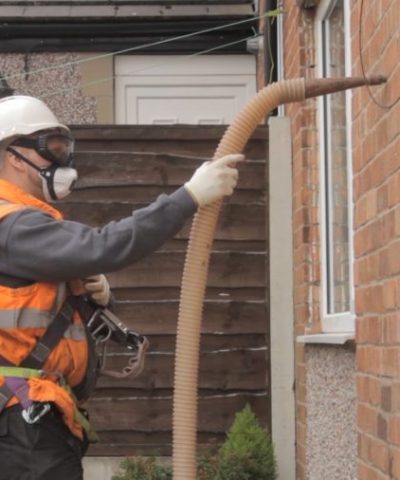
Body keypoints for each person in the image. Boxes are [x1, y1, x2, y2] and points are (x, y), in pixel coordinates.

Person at [0, 95, 243, 480]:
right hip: (22, 426)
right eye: (51, 149)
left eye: (65, 149)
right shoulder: (13, 224)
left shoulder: (21, 224)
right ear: (14, 156)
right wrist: (188, 198)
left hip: (30, 417)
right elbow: (104, 245)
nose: (61, 162)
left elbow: (31, 309)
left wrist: (93, 294)